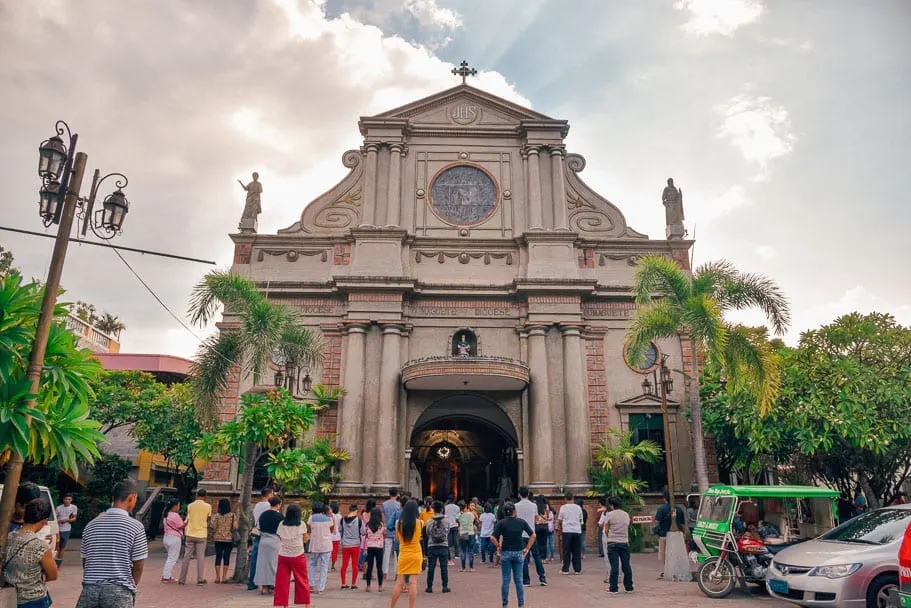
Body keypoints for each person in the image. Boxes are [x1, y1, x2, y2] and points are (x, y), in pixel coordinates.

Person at [76, 480, 149, 608]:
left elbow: (85, 562)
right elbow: (138, 567)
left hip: (89, 591)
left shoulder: (91, 525)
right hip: (119, 592)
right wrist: (130, 588)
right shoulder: (136, 527)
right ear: (131, 498)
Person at [0, 498, 58, 608]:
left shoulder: (9, 537)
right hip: (34, 599)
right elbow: (53, 575)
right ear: (44, 521)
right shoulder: (41, 546)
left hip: (10, 597)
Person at [491, 501, 536, 608]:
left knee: (506, 580)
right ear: (514, 511)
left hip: (506, 552)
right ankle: (521, 604)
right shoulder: (521, 522)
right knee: (518, 580)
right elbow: (532, 535)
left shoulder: (501, 523)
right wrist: (527, 548)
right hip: (518, 552)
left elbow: (492, 537)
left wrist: (498, 546)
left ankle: (505, 604)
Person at [274, 503, 311, 607]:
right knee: (302, 580)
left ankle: (284, 604)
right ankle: (306, 604)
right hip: (298, 555)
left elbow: (280, 537)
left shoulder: (281, 524)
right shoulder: (301, 524)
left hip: (283, 555)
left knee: (282, 582)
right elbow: (305, 538)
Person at [390, 500, 423, 608]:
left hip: (403, 554)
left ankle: (392, 606)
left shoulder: (398, 523)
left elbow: (398, 539)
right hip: (416, 554)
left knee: (399, 582)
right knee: (413, 582)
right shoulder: (420, 523)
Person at [179, 488, 212, 586]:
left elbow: (189, 517)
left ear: (197, 495)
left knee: (186, 556)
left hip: (190, 533)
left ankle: (182, 579)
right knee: (200, 557)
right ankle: (200, 579)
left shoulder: (190, 506)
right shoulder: (208, 506)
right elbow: (208, 518)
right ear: (205, 495)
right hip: (201, 534)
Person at [600, 496, 633, 594]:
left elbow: (606, 529)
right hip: (624, 542)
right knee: (626, 565)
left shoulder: (609, 515)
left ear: (611, 505)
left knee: (614, 566)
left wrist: (609, 536)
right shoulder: (626, 514)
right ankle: (629, 587)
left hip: (612, 542)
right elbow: (627, 525)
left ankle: (613, 588)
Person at [516, 487, 547, 586]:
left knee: (523, 556)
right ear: (528, 494)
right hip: (531, 534)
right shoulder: (533, 505)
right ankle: (542, 577)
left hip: (521, 534)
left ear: (519, 494)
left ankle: (526, 580)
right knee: (537, 556)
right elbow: (536, 518)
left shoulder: (516, 506)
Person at [255, 496, 284, 594]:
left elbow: (258, 528)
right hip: (275, 541)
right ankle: (273, 585)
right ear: (278, 505)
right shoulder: (280, 516)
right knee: (274, 564)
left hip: (263, 541)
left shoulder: (263, 515)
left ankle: (264, 587)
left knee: (262, 564)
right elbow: (282, 530)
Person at [249, 486, 276, 590]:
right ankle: (268, 582)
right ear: (268, 495)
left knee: (255, 558)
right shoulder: (268, 506)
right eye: (272, 494)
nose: (273, 496)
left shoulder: (257, 505)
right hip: (266, 533)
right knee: (268, 559)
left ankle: (252, 582)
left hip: (257, 533)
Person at [654, 491, 685, 578]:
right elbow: (682, 524)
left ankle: (667, 571)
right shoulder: (679, 509)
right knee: (675, 554)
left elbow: (657, 521)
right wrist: (684, 534)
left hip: (664, 535)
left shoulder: (661, 509)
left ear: (664, 499)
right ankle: (675, 571)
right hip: (677, 535)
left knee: (664, 555)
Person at [307, 501, 334, 594]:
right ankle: (320, 588)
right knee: (324, 566)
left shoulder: (311, 518)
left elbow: (309, 528)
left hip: (315, 545)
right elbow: (331, 530)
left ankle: (311, 584)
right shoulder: (328, 519)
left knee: (312, 564)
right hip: (326, 545)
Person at [423, 501, 451, 594]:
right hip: (443, 546)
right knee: (444, 567)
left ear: (433, 510)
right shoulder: (447, 521)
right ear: (442, 509)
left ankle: (429, 587)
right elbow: (447, 532)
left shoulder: (429, 521)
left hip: (432, 546)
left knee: (431, 567)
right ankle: (444, 587)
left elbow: (427, 533)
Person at [210, 498, 238, 584]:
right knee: (226, 557)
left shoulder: (216, 516)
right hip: (228, 539)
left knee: (218, 557)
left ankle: (217, 577)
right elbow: (235, 527)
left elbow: (213, 527)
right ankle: (224, 577)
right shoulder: (233, 515)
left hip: (218, 539)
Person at [558, 491, 584, 575]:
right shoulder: (578, 508)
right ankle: (577, 569)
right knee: (576, 550)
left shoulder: (563, 507)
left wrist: (560, 530)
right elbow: (581, 520)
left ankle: (566, 569)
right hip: (577, 530)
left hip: (567, 530)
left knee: (567, 551)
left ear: (565, 499)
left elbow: (560, 520)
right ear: (573, 498)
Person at [339, 504, 362, 589]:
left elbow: (339, 530)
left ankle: (343, 583)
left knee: (344, 565)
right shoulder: (359, 520)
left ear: (349, 510)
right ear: (356, 511)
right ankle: (353, 584)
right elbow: (363, 531)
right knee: (355, 565)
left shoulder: (342, 519)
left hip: (345, 544)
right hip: (356, 544)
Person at [363, 507, 386, 592]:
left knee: (370, 567)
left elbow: (366, 535)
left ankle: (368, 586)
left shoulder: (368, 525)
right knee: (379, 567)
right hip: (379, 547)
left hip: (370, 547)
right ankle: (380, 586)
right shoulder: (381, 525)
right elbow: (384, 534)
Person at [161, 499, 183, 583]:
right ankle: (166, 576)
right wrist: (186, 523)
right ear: (175, 506)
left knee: (170, 557)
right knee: (172, 558)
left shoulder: (166, 515)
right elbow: (180, 526)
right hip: (174, 538)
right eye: (178, 505)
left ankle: (168, 575)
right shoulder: (175, 515)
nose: (179, 507)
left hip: (166, 537)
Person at [382, 488, 402, 579]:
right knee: (396, 553)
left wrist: (385, 527)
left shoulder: (384, 504)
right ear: (397, 494)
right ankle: (397, 573)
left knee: (386, 552)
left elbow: (383, 518)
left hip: (388, 529)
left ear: (389, 494)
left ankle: (384, 572)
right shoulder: (399, 505)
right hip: (397, 530)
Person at [54, 493, 77, 565]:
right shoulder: (58, 508)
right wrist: (59, 521)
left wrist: (67, 520)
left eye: (69, 499)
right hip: (57, 529)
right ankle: (53, 562)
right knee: (56, 547)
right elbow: (54, 518)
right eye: (66, 499)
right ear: (63, 499)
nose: (67, 501)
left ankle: (58, 564)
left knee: (62, 547)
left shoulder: (74, 507)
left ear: (71, 500)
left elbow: (74, 518)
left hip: (66, 530)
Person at [456, 501, 476, 572]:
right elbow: (474, 521)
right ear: (466, 506)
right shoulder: (471, 514)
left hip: (462, 533)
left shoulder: (459, 515)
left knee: (463, 551)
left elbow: (457, 521)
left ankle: (463, 568)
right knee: (471, 550)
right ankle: (471, 567)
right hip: (471, 533)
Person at [444, 496, 460, 565]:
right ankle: (456, 555)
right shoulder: (457, 507)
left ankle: (448, 554)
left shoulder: (445, 507)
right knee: (456, 540)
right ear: (454, 500)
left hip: (448, 525)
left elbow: (444, 515)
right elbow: (458, 516)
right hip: (455, 524)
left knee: (448, 541)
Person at [329, 502, 342, 571]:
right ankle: (333, 565)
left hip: (329, 535)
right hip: (337, 535)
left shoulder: (329, 516)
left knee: (328, 550)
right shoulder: (340, 516)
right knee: (335, 551)